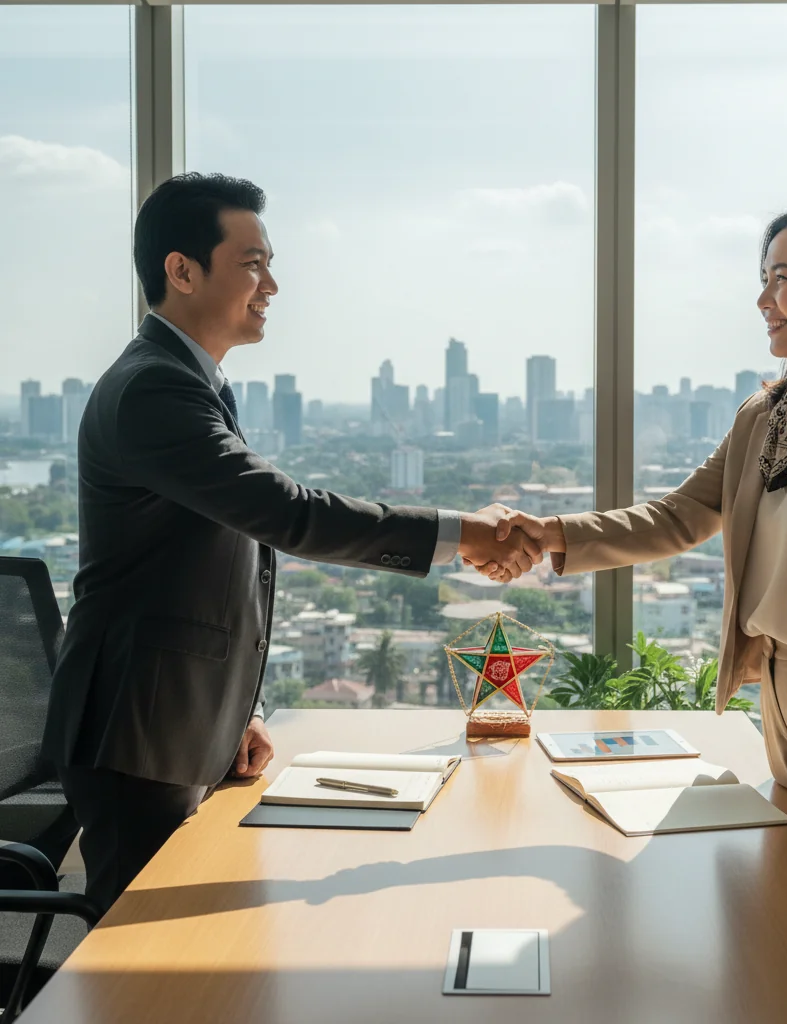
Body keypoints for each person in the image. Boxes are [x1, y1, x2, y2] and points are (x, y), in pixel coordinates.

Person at [44, 172, 540, 914]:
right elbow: (285, 514)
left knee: (198, 954)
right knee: (145, 965)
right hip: (137, 733)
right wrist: (462, 536)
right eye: (251, 264)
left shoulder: (190, 379)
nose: (271, 284)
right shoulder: (154, 388)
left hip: (173, 722)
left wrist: (243, 709)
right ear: (181, 270)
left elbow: (204, 573)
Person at [481, 202, 787, 934]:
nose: (763, 301)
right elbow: (675, 518)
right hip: (780, 706)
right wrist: (548, 533)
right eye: (762, 281)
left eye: (780, 279)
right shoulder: (761, 418)